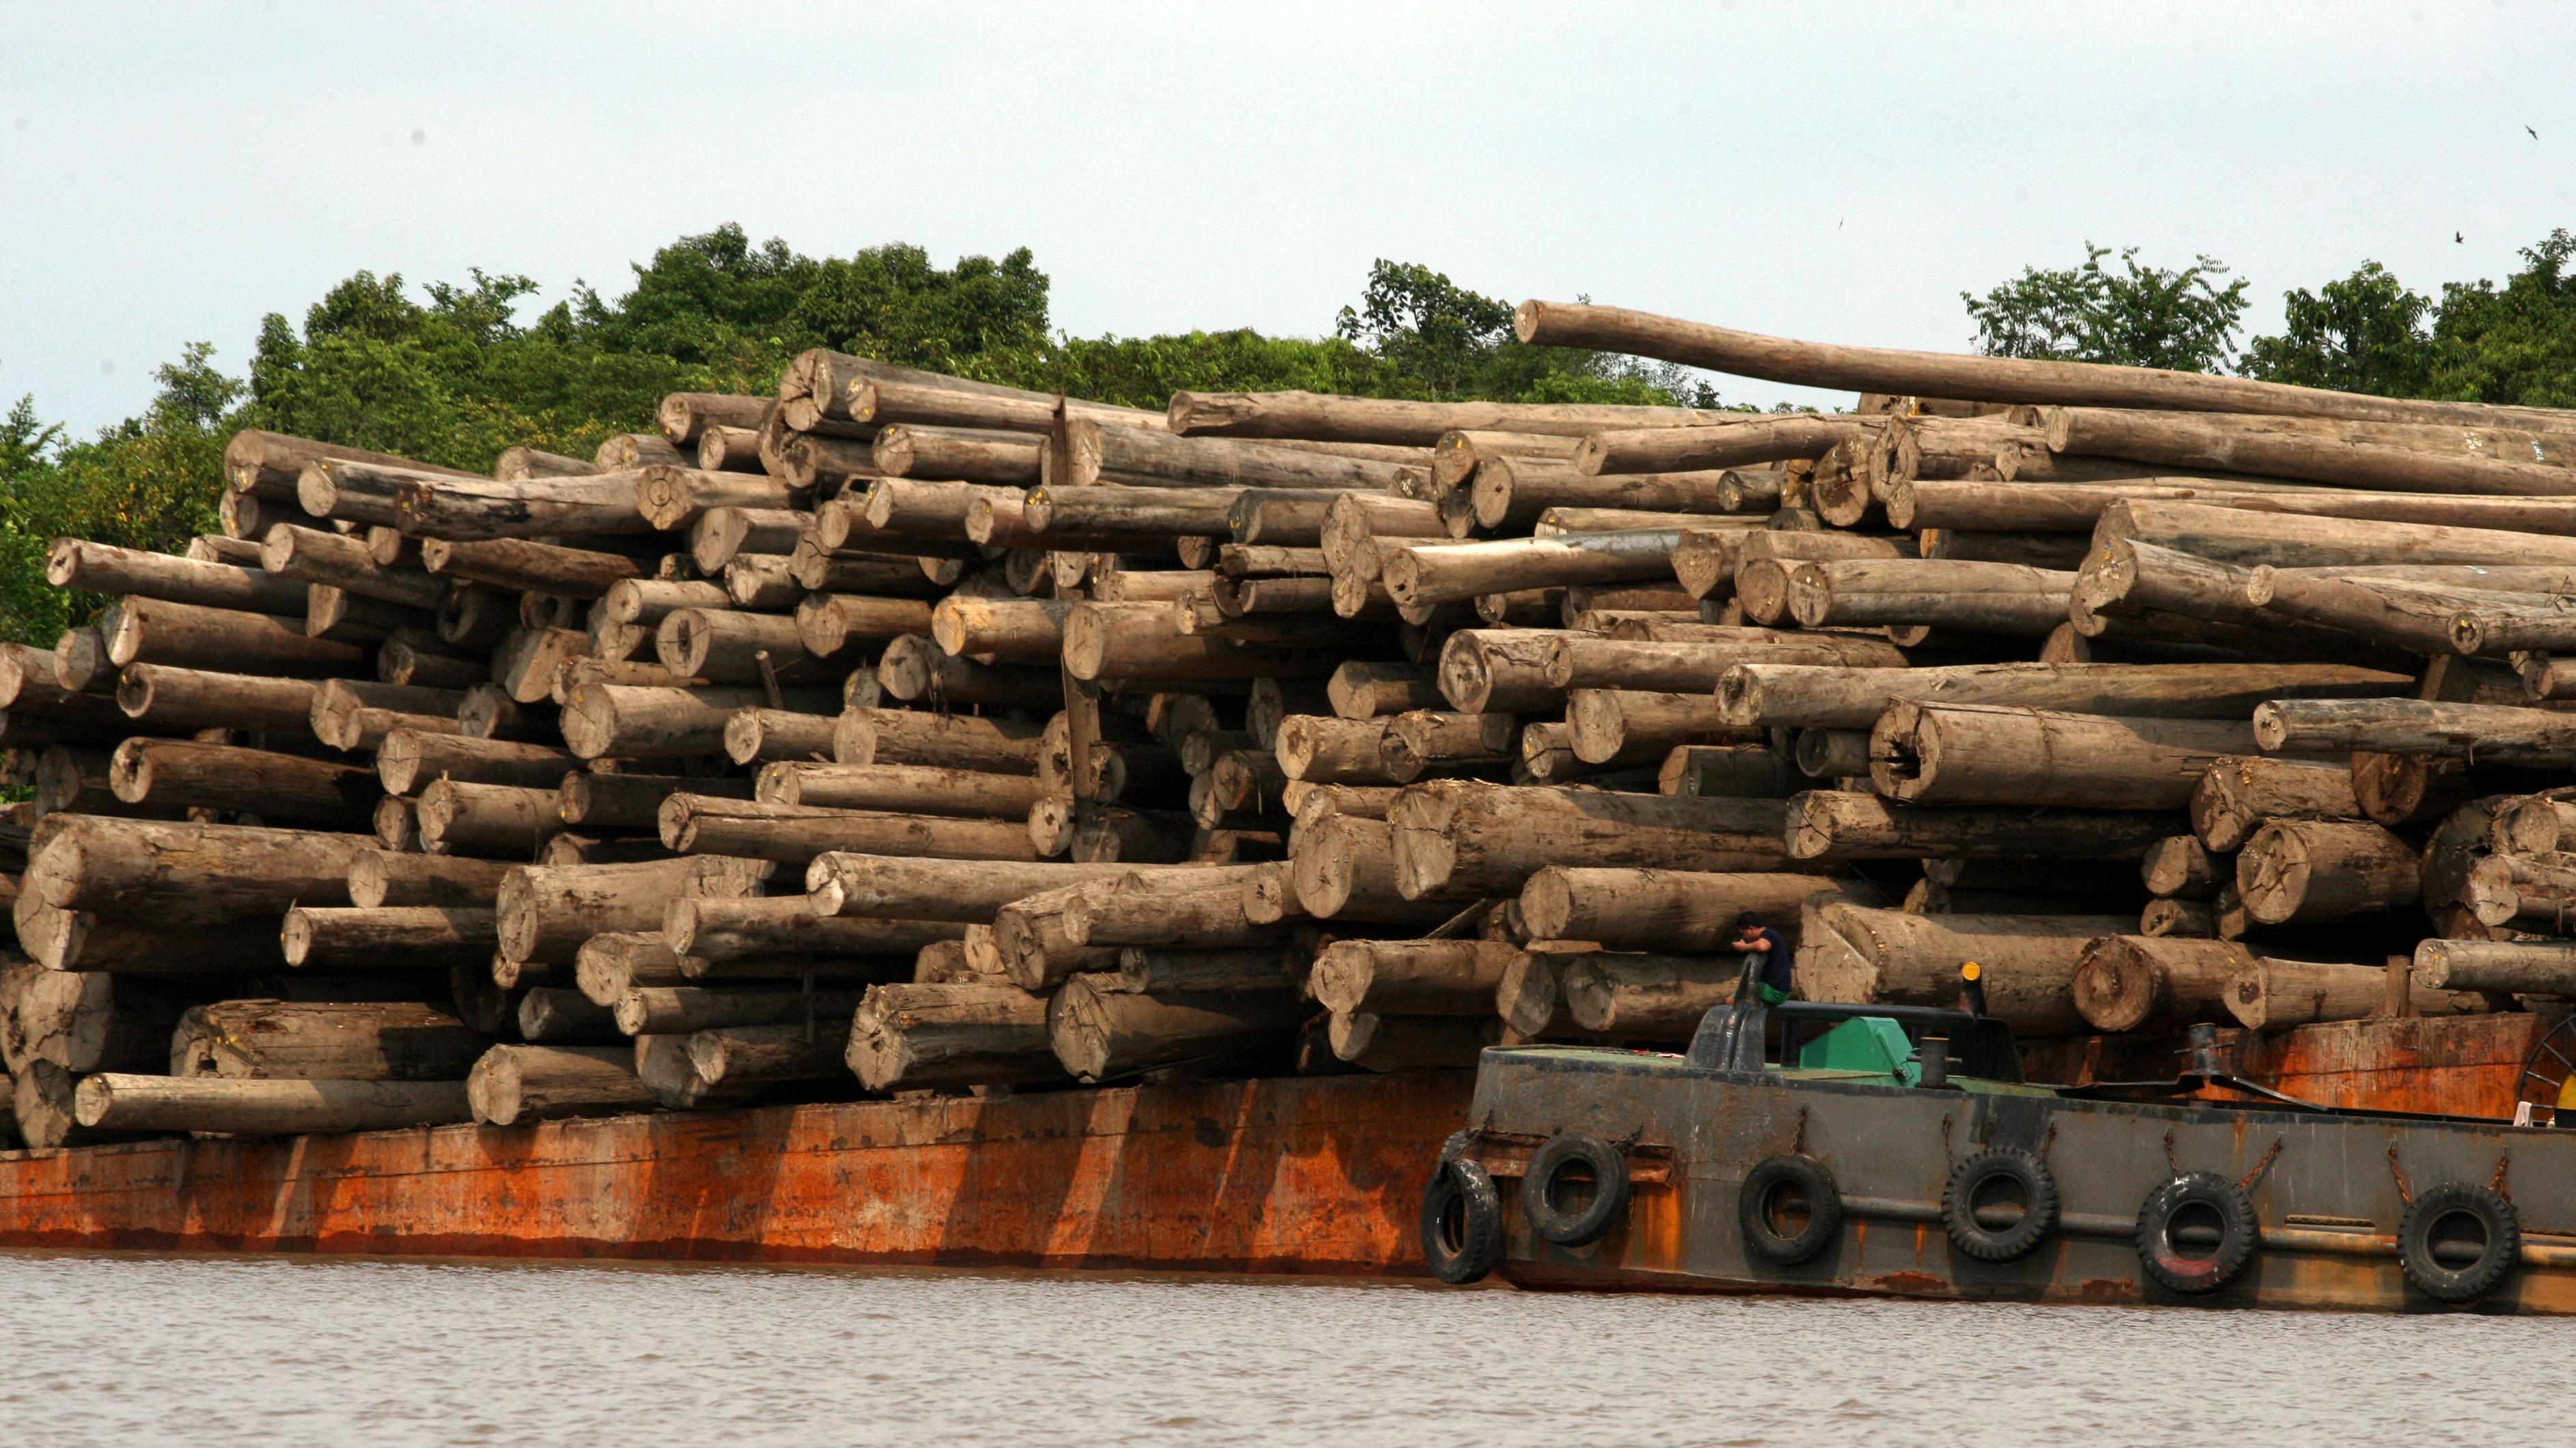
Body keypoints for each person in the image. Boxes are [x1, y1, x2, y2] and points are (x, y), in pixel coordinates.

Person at [1731, 911, 1792, 1005]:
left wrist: (1744, 947)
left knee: (1731, 1000)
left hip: (1774, 991)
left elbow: (1762, 946)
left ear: (1751, 929)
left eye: (1744, 933)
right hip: (1777, 991)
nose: (1744, 937)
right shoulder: (1768, 935)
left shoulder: (1769, 934)